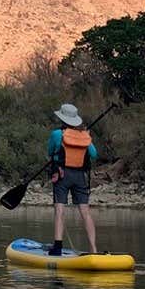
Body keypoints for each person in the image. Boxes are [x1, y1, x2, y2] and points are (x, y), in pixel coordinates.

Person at [46, 103, 98, 256]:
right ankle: (93, 249)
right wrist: (86, 137)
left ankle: (57, 247)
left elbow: (50, 151)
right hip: (80, 177)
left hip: (62, 175)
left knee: (60, 209)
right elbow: (94, 155)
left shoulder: (57, 134)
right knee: (85, 211)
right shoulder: (85, 136)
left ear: (62, 118)